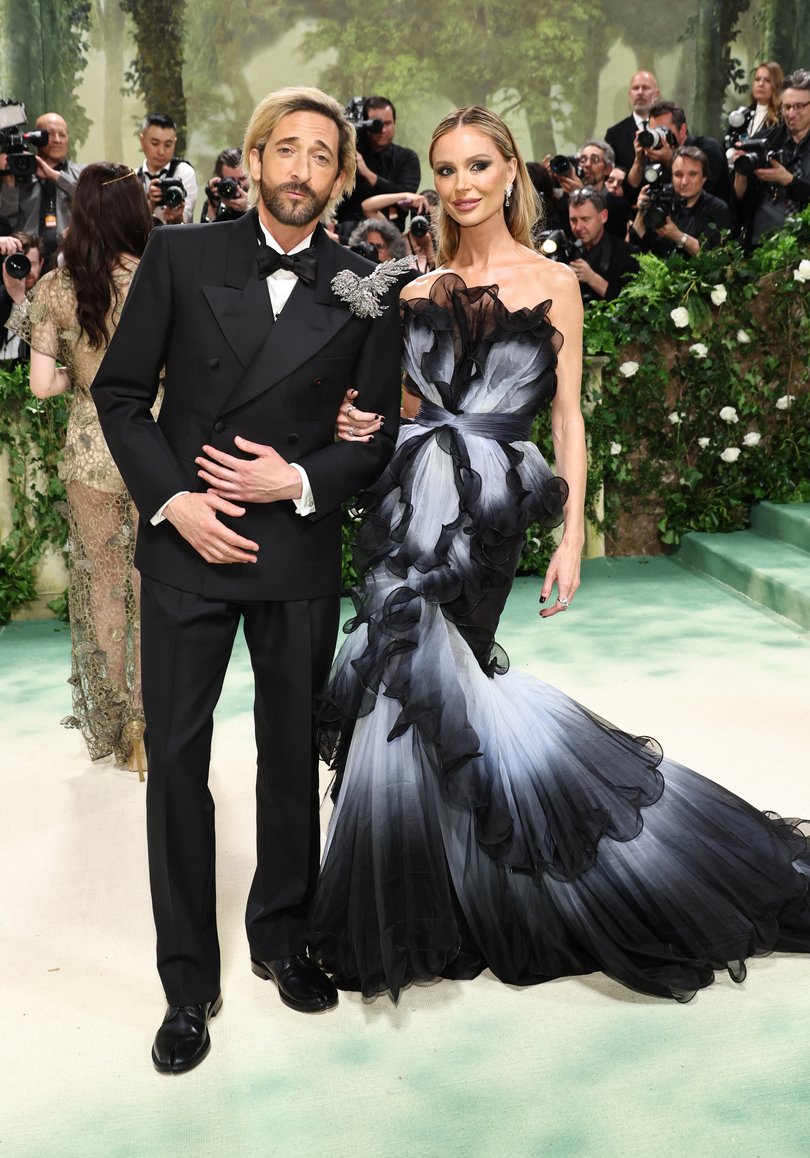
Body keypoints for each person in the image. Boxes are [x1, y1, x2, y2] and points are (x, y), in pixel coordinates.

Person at [307, 105, 810, 1003]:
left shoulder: (553, 282)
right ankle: (428, 899)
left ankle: (483, 884)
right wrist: (361, 421)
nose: (462, 186)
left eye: (478, 167)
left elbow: (569, 418)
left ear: (509, 174)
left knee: (446, 677)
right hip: (404, 505)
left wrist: (572, 530)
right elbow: (400, 410)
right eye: (449, 171)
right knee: (398, 683)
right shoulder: (413, 289)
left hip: (489, 512)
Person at [91, 87, 404, 1075]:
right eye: (288, 149)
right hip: (187, 544)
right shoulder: (182, 257)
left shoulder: (367, 287)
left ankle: (283, 936)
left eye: (324, 155)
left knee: (284, 756)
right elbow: (122, 394)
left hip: (294, 550)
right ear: (255, 157)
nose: (303, 169)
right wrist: (174, 502)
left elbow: (377, 437)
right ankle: (187, 983)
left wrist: (302, 477)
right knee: (177, 764)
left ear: (341, 174)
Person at [5, 164, 154, 773]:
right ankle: (156, 716)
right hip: (158, 446)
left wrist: (78, 378)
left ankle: (123, 720)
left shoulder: (60, 291)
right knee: (158, 587)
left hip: (92, 450)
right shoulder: (161, 279)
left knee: (105, 589)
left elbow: (41, 386)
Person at [733, 68, 810, 246]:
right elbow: (739, 202)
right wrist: (740, 172)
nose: (791, 114)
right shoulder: (763, 141)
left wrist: (788, 180)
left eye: (799, 106)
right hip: (764, 245)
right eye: (787, 107)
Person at [0, 112, 82, 265]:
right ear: (37, 138)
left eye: (62, 135)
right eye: (50, 134)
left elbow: (90, 200)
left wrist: (56, 177)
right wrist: (8, 183)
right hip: (27, 262)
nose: (57, 140)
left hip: (70, 259)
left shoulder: (80, 174)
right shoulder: (18, 175)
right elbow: (7, 222)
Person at [336, 96, 421, 234]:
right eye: (376, 124)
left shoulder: (407, 157)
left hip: (388, 237)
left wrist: (368, 174)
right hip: (346, 233)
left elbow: (406, 194)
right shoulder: (350, 155)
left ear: (395, 123)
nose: (382, 129)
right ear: (365, 124)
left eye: (388, 123)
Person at [631, 146, 732, 257]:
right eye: (678, 175)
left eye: (692, 174)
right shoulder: (660, 199)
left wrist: (678, 236)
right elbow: (634, 247)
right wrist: (641, 212)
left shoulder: (718, 209)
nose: (684, 182)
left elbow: (713, 256)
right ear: (672, 177)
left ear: (704, 177)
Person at [567, 187, 638, 300]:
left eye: (585, 219)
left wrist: (593, 279)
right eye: (573, 220)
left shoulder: (626, 253)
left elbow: (629, 306)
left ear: (603, 216)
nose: (578, 227)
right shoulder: (566, 250)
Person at [136, 113, 198, 225]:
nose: (161, 151)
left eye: (168, 145)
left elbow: (186, 219)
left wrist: (177, 216)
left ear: (175, 142)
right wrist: (149, 205)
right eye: (155, 143)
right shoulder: (133, 178)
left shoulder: (184, 172)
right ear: (142, 140)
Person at [605, 70, 661, 171]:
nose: (640, 92)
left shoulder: (666, 128)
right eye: (635, 88)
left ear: (656, 94)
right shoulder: (614, 135)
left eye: (645, 88)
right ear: (630, 94)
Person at [1, 232, 43, 360]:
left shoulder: (50, 297)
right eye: (20, 263)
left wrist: (19, 297)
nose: (27, 270)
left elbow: (46, 341)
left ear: (41, 264)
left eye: (32, 263)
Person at [200, 146, 249, 223]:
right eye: (231, 180)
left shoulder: (263, 200)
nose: (237, 185)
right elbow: (205, 234)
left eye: (242, 179)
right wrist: (213, 210)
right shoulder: (217, 202)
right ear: (220, 180)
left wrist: (251, 207)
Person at [746, 61, 784, 137]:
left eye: (767, 81)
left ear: (776, 85)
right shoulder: (743, 114)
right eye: (757, 79)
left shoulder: (782, 119)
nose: (761, 84)